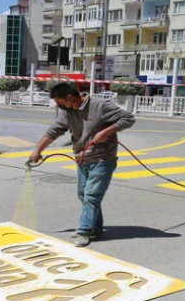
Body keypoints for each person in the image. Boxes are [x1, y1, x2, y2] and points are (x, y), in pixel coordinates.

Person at [29, 83, 136, 247]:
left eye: (59, 102)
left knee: (91, 195)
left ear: (70, 97)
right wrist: (37, 151)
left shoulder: (100, 106)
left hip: (102, 159)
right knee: (83, 195)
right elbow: (53, 131)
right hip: (82, 159)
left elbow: (128, 118)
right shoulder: (68, 112)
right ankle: (96, 228)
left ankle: (84, 231)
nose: (58, 106)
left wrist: (105, 132)